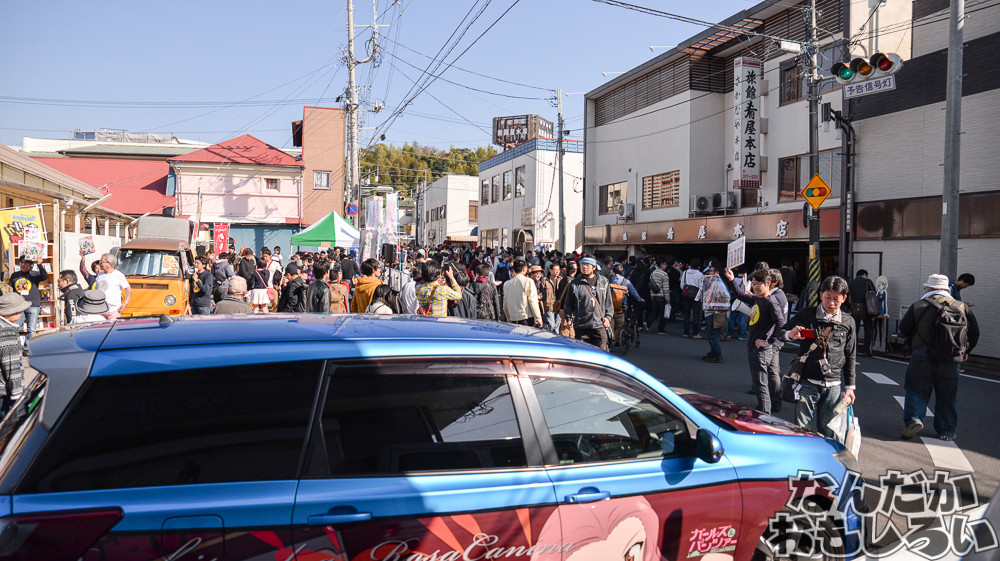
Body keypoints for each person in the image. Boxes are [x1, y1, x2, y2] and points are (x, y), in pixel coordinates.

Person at [898, 274, 979, 442]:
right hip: (951, 356)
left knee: (916, 389)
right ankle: (946, 431)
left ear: (929, 288)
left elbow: (904, 329)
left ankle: (914, 419)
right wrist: (966, 350)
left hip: (922, 354)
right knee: (947, 394)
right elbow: (974, 333)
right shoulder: (961, 307)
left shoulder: (919, 305)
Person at [776, 276, 857, 438]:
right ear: (821, 295)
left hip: (834, 385)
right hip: (807, 381)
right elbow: (781, 332)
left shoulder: (848, 321)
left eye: (836, 299)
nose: (831, 303)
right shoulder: (807, 315)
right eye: (827, 297)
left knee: (828, 431)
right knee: (801, 429)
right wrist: (790, 335)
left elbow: (850, 355)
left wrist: (850, 387)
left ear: (844, 299)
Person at [723, 267, 786, 415]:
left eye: (758, 284)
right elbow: (740, 295)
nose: (755, 287)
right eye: (754, 283)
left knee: (761, 386)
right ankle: (765, 413)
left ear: (768, 283)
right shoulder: (758, 298)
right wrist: (732, 280)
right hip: (755, 346)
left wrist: (769, 341)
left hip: (761, 350)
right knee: (761, 383)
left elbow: (781, 323)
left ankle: (764, 416)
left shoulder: (771, 302)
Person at [562, 257, 614, 351]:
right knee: (583, 355)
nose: (584, 267)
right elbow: (568, 304)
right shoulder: (574, 283)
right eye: (582, 265)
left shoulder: (604, 282)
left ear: (594, 267)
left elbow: (609, 304)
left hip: (599, 325)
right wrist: (569, 319)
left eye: (587, 265)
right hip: (581, 326)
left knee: (602, 354)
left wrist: (608, 318)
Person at [0, 293, 29, 416]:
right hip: (4, 392)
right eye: (19, 311)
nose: (22, 314)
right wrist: (18, 394)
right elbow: (11, 366)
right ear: (9, 312)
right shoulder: (7, 332)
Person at [696, 261, 727, 363]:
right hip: (715, 311)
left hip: (714, 311)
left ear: (716, 272)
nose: (709, 272)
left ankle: (717, 354)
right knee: (713, 333)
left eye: (711, 271)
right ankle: (713, 352)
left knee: (713, 334)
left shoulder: (716, 282)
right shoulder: (717, 281)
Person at [8, 256, 46, 339]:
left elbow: (44, 276)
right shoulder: (15, 275)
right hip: (19, 305)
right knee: (15, 327)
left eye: (25, 262)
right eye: (21, 262)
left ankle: (28, 346)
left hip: (33, 305)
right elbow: (9, 288)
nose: (23, 264)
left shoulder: (35, 274)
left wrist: (39, 264)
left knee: (31, 329)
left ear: (31, 264)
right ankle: (15, 344)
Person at [609, 263, 643, 346]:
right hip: (621, 307)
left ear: (613, 272)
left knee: (611, 326)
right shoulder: (626, 282)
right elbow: (634, 293)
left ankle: (610, 340)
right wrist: (640, 299)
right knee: (621, 325)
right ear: (622, 272)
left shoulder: (608, 280)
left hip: (610, 307)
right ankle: (617, 338)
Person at [502, 260, 543, 328]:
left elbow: (505, 304)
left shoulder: (507, 284)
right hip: (525, 317)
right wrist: (539, 318)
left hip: (513, 318)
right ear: (524, 268)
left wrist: (508, 319)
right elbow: (533, 301)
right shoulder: (528, 281)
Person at [848, 270, 877, 357]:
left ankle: (854, 350)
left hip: (854, 309)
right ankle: (866, 350)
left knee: (855, 330)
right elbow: (873, 292)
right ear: (864, 275)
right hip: (866, 309)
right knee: (868, 330)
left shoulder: (851, 283)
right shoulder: (868, 282)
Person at [95, 253, 131, 320]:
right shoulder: (99, 275)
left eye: (102, 262)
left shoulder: (118, 275)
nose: (100, 264)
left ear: (109, 264)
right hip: (99, 310)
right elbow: (96, 289)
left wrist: (126, 302)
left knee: (112, 326)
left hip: (113, 310)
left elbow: (128, 289)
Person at [680, 259, 704, 339]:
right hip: (695, 297)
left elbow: (682, 285)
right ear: (698, 266)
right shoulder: (700, 274)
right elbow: (701, 287)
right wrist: (700, 298)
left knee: (686, 314)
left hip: (685, 296)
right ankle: (695, 333)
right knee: (696, 315)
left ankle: (686, 332)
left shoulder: (685, 272)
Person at [646, 258, 670, 334]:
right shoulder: (664, 274)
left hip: (654, 296)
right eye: (665, 264)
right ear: (661, 265)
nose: (666, 265)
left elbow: (651, 285)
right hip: (661, 296)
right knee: (663, 313)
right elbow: (666, 288)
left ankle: (647, 324)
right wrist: (668, 298)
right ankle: (661, 329)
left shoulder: (653, 273)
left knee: (655, 312)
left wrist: (652, 296)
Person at [540, 263, 565, 332]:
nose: (557, 272)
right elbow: (542, 294)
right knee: (552, 325)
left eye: (558, 270)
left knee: (557, 326)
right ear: (550, 270)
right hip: (548, 306)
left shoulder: (561, 280)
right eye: (555, 270)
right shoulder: (545, 280)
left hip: (558, 306)